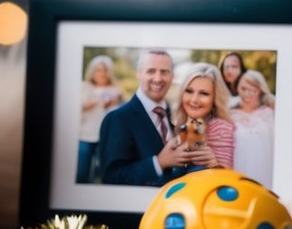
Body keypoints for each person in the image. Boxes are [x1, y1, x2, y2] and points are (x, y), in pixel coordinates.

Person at [98, 49, 188, 186]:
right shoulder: (117, 119)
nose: (158, 79)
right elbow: (111, 177)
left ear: (172, 76)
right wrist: (158, 163)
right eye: (151, 71)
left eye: (164, 72)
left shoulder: (176, 115)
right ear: (139, 74)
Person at [172, 63, 235, 171]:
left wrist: (213, 163)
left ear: (214, 98)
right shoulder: (180, 123)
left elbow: (226, 174)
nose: (194, 100)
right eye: (189, 91)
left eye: (204, 93)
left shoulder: (220, 127)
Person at [77, 55, 123, 182]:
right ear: (92, 72)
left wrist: (116, 103)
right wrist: (86, 106)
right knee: (81, 173)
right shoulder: (85, 86)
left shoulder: (116, 90)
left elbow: (121, 115)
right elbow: (72, 109)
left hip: (107, 138)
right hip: (85, 136)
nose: (102, 73)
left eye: (105, 70)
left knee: (105, 173)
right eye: (98, 70)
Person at [230, 69, 276, 186]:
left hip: (266, 171)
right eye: (243, 89)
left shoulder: (269, 112)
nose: (247, 94)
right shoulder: (230, 113)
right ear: (237, 88)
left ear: (260, 90)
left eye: (252, 90)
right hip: (237, 170)